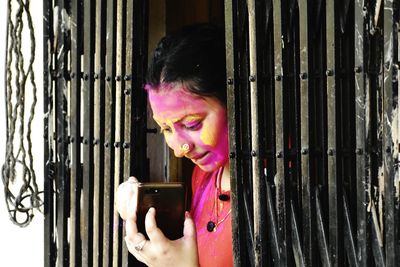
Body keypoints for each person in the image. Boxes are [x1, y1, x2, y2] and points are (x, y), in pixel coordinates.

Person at [116, 24, 232, 267]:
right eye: (166, 129)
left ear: (234, 101)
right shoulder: (204, 176)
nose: (179, 150)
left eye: (192, 124)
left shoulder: (286, 184)